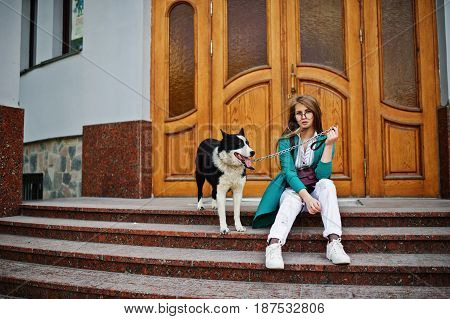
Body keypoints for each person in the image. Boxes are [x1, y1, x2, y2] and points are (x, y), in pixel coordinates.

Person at [252, 94, 350, 269]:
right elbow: (289, 173)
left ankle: (334, 243)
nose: (303, 117)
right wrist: (307, 198)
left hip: (316, 188)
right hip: (294, 189)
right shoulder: (286, 140)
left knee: (328, 185)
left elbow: (322, 176)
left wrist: (328, 145)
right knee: (291, 199)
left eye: (308, 112)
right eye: (299, 113)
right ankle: (273, 245)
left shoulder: (324, 139)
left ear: (315, 114)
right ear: (294, 117)